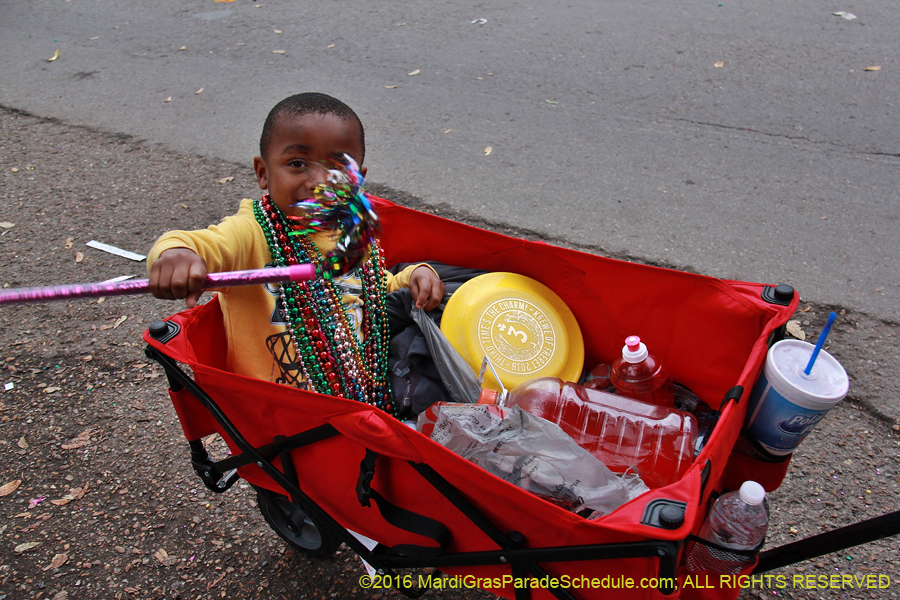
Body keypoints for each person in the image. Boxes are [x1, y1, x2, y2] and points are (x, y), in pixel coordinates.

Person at [148, 93, 444, 414]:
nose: (317, 181)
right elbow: (199, 244)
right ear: (263, 173)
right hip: (284, 426)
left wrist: (412, 276)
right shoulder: (252, 233)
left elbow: (369, 287)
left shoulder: (351, 233)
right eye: (297, 164)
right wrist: (177, 255)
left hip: (360, 405)